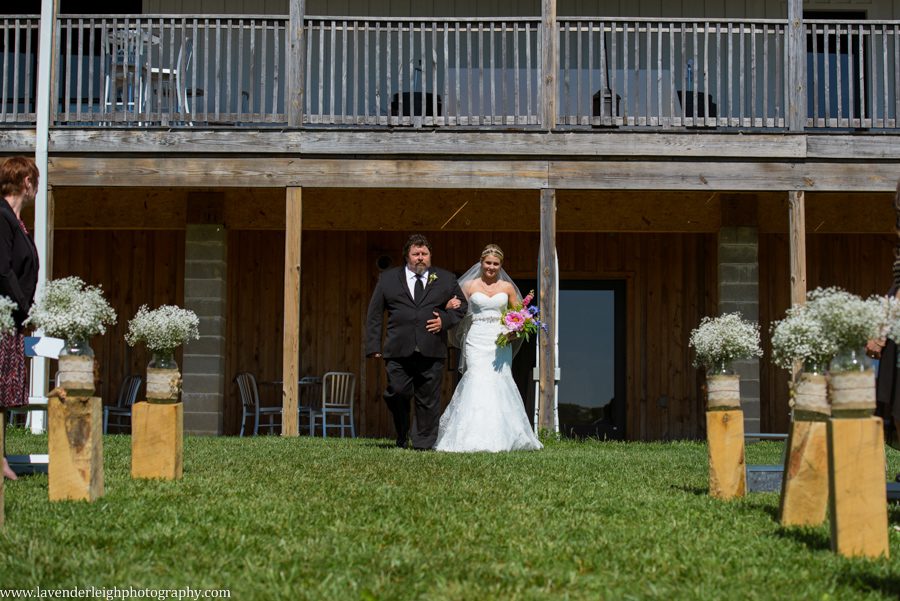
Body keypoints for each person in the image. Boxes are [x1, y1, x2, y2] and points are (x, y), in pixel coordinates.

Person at [434, 244, 543, 452]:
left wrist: (515, 330)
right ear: (481, 262)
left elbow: (522, 316)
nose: (491, 267)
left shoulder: (507, 288)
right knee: (476, 378)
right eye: (488, 263)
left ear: (500, 265)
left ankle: (504, 437)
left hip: (499, 340)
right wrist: (448, 307)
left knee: (499, 381)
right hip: (476, 338)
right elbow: (457, 309)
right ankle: (468, 437)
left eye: (495, 264)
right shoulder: (468, 285)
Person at [365, 234, 467, 449]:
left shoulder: (446, 279)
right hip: (398, 349)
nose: (420, 258)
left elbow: (462, 307)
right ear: (407, 256)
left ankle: (423, 444)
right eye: (416, 254)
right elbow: (374, 314)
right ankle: (402, 433)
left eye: (424, 254)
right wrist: (373, 346)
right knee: (398, 392)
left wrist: (445, 320)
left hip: (432, 348)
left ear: (430, 256)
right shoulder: (388, 279)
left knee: (428, 400)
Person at [0, 157, 40, 480]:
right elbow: (2, 270)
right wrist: (24, 305)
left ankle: (0, 459)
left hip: (12, 320)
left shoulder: (17, 223)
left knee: (3, 396)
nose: (36, 189)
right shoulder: (1, 218)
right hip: (4, 316)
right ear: (26, 182)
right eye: (35, 183)